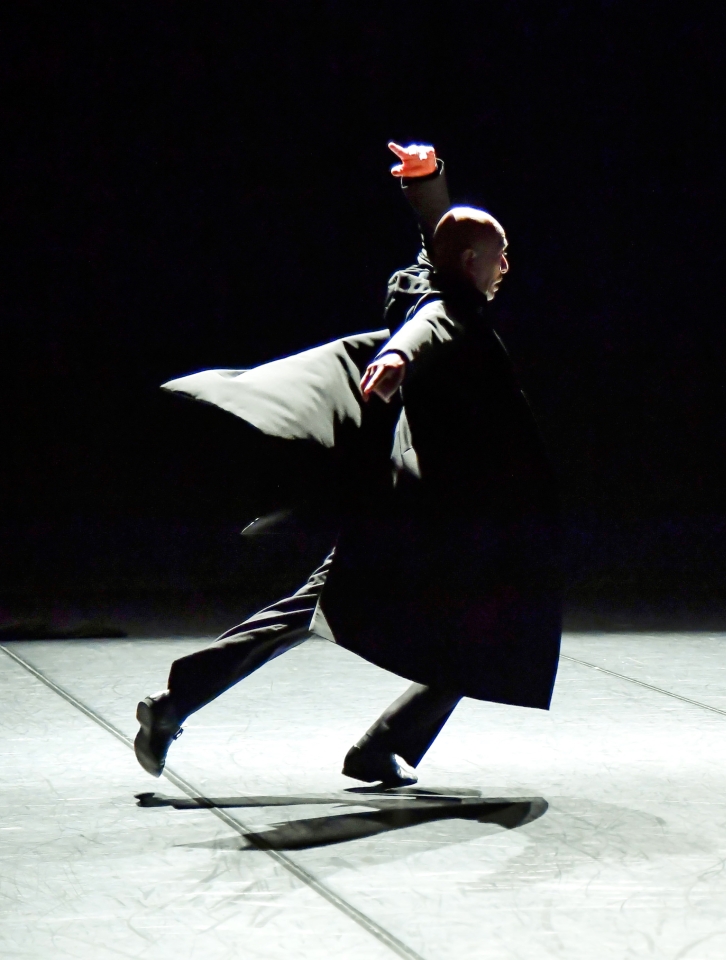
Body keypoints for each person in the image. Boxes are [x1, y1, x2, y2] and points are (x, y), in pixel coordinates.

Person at [134, 143, 562, 786]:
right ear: (473, 263)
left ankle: (176, 705)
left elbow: (437, 245)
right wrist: (398, 357)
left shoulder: (435, 278)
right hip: (434, 518)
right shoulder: (451, 310)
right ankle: (378, 744)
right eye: (498, 255)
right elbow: (433, 324)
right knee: (490, 621)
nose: (508, 265)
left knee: (316, 610)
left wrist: (427, 184)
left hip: (415, 506)